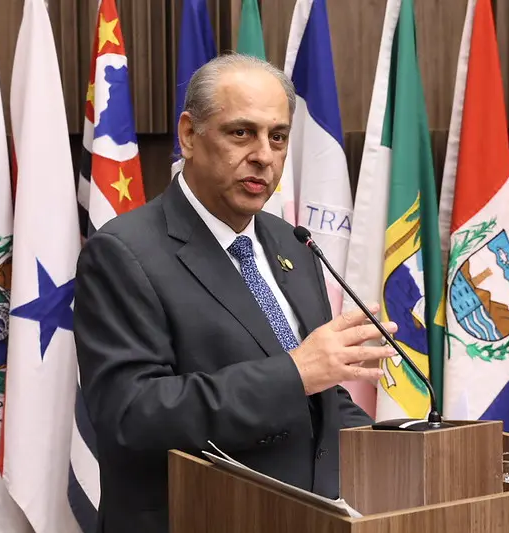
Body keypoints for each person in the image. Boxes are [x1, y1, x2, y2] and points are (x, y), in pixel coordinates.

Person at [73, 54, 398, 533]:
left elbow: (316, 397)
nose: (264, 155)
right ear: (189, 135)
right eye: (242, 133)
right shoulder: (123, 253)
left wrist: (410, 444)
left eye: (278, 137)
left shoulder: (293, 243)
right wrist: (295, 372)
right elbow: (131, 414)